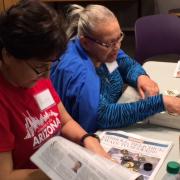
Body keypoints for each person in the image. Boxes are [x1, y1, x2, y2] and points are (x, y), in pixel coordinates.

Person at [0, 1, 110, 179]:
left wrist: (87, 139)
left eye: (51, 65)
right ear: (8, 56)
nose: (46, 76)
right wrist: (58, 171)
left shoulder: (34, 76)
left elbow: (64, 121)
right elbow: (5, 175)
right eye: (39, 67)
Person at [50, 4, 180, 133]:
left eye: (119, 38)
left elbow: (125, 63)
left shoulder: (104, 48)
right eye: (111, 43)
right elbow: (103, 116)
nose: (117, 47)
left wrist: (141, 76)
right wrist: (160, 103)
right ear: (85, 43)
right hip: (93, 135)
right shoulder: (77, 70)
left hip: (116, 116)